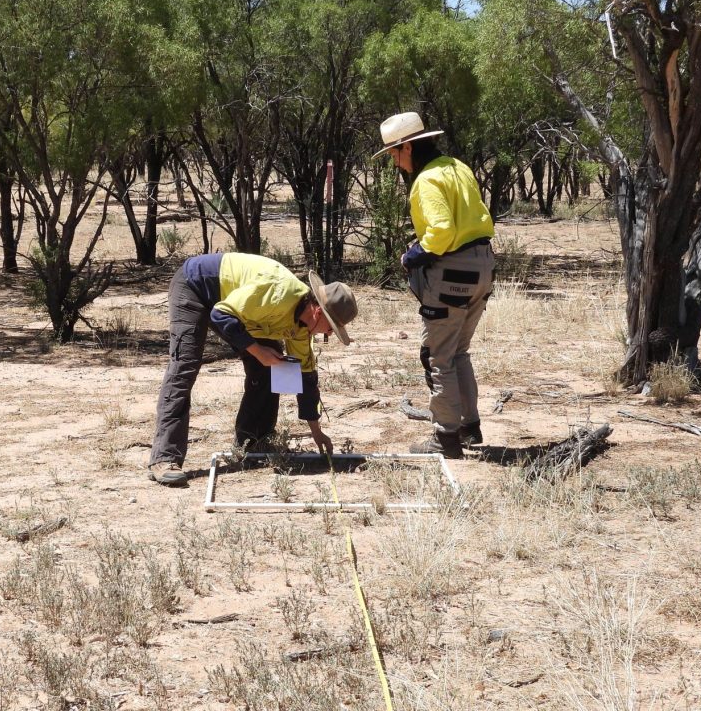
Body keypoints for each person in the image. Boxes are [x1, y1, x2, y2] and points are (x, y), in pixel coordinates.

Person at [148, 252, 359, 486]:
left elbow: (305, 378)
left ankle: (253, 443)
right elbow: (220, 314)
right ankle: (164, 459)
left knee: (272, 367)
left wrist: (316, 431)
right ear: (318, 312)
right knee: (184, 367)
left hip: (238, 310)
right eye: (331, 329)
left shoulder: (301, 328)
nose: (329, 335)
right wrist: (258, 351)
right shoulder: (278, 293)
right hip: (196, 285)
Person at [374, 112, 495, 458]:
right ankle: (470, 428)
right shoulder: (457, 167)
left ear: (407, 147)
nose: (395, 162)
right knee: (459, 352)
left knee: (437, 357)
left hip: (452, 273)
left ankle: (446, 438)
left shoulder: (426, 180)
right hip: (483, 265)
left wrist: (413, 256)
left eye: (394, 154)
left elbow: (441, 231)